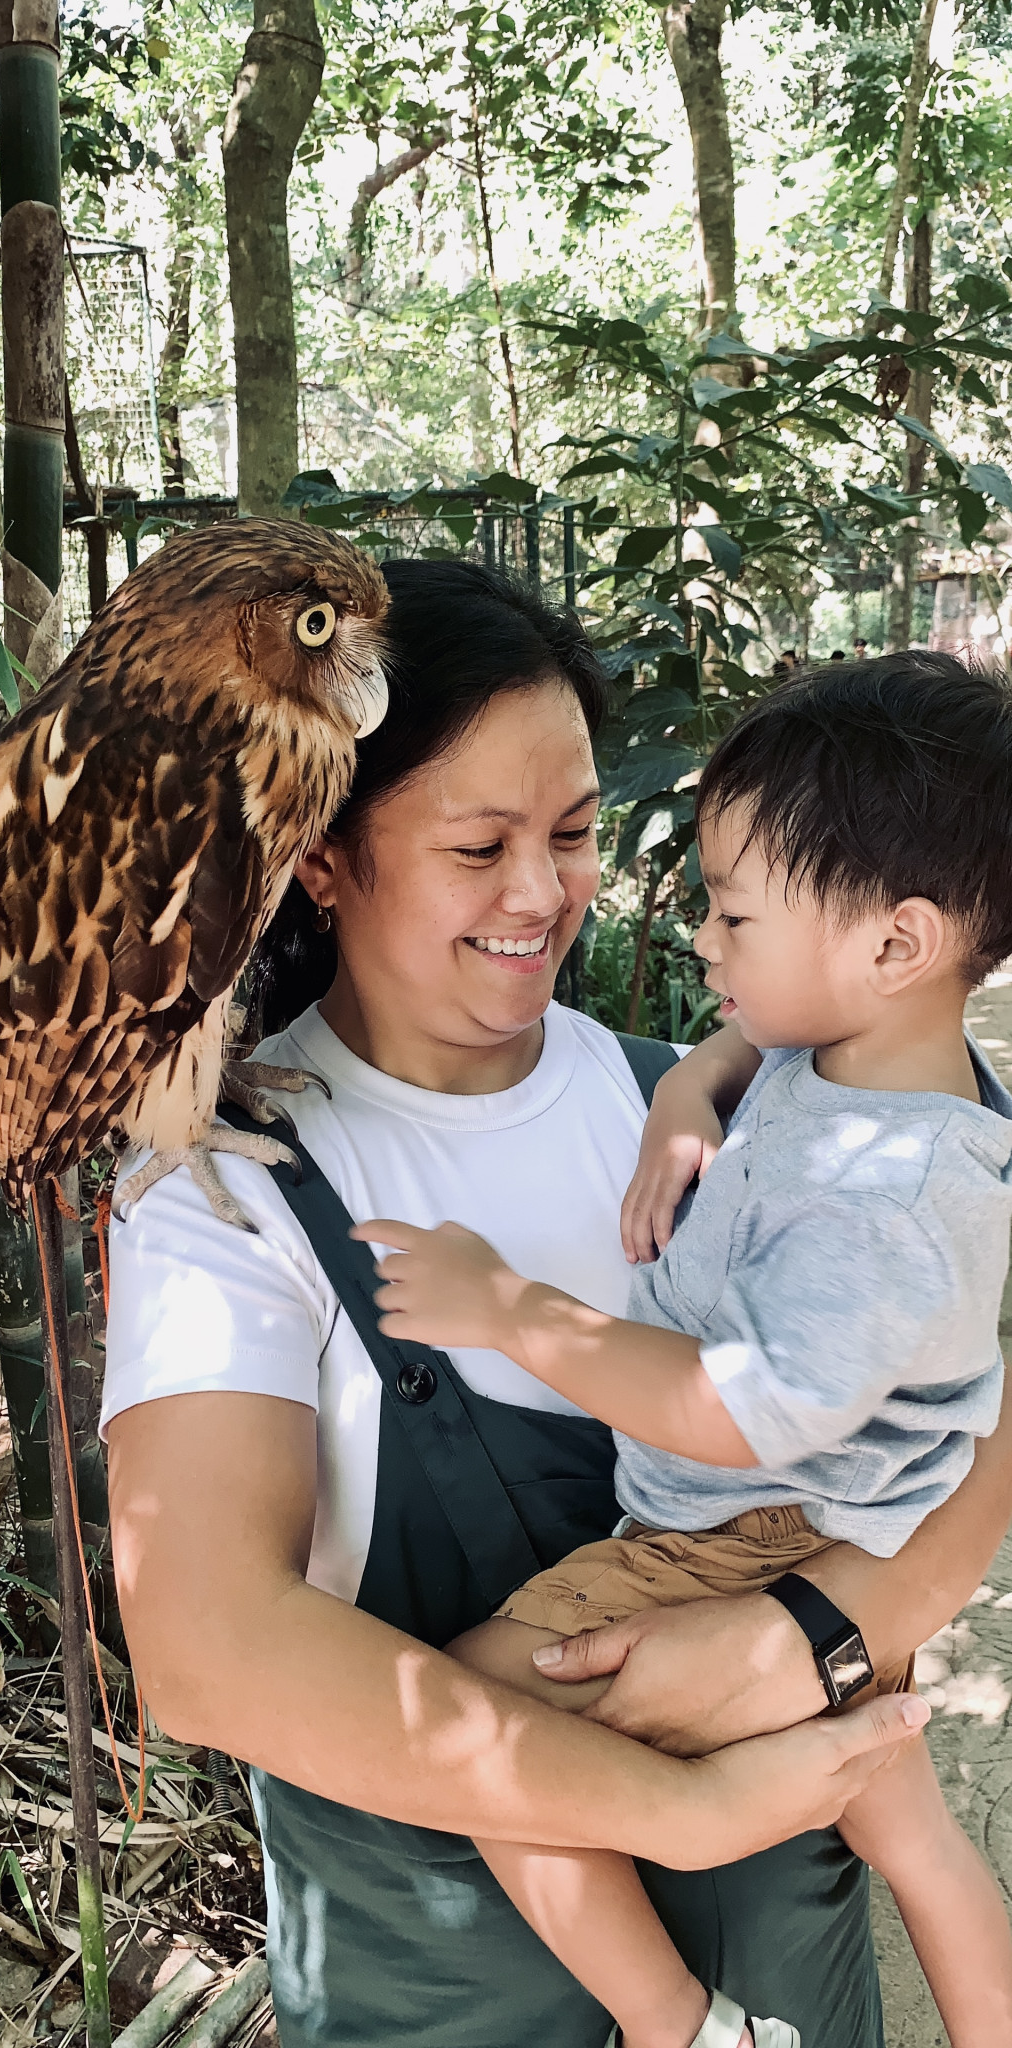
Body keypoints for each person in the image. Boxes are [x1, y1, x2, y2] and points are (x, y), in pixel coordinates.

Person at [103, 567, 1012, 2048]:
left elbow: (975, 1409)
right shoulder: (228, 1185)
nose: (542, 893)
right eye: (480, 846)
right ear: (322, 857)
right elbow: (206, 1652)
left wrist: (813, 1636)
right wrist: (681, 1801)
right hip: (448, 1997)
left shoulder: (718, 1113)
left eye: (575, 835)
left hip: (785, 1956)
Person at [357, 653, 1012, 2048]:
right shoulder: (872, 1058)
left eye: (733, 912)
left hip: (744, 1533)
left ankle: (674, 2024)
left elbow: (735, 1411)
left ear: (895, 943)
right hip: (845, 1537)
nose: (704, 942)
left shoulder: (887, 1205)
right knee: (918, 1842)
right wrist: (682, 1099)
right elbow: (744, 1050)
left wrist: (512, 1310)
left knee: (469, 1722)